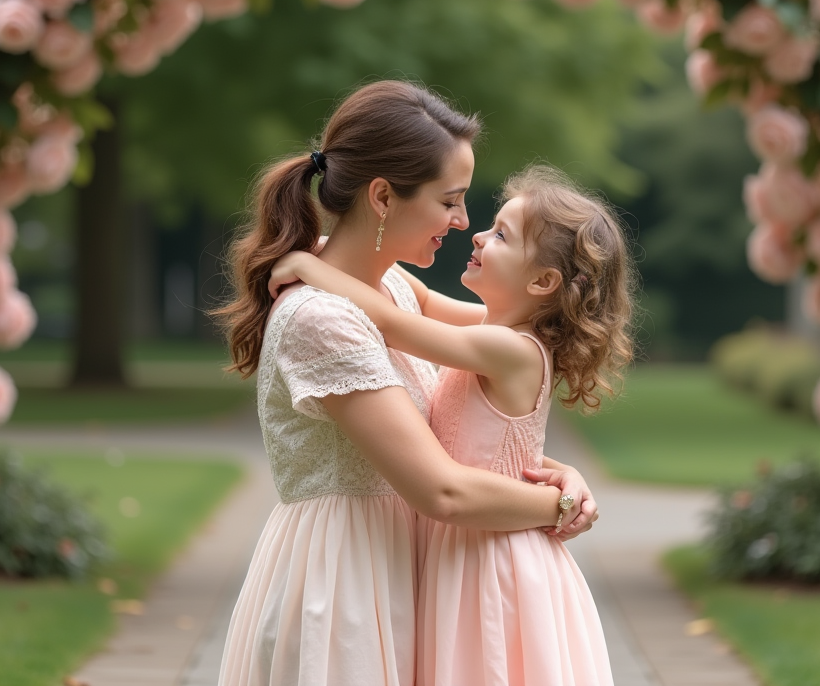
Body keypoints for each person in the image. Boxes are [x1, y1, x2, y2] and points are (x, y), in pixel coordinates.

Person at [211, 82, 598, 685]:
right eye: (451, 200)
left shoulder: (389, 286)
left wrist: (553, 469)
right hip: (347, 586)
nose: (465, 222)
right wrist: (560, 505)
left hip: (411, 573)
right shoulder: (322, 317)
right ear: (384, 197)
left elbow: (488, 394)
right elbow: (441, 489)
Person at [269, 164, 634, 685]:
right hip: (469, 545)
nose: (479, 233)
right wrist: (333, 245)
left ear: (542, 281)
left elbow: (396, 323)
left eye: (501, 234)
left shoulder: (508, 347)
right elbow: (412, 298)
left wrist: (310, 266)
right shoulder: (495, 329)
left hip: (492, 557)